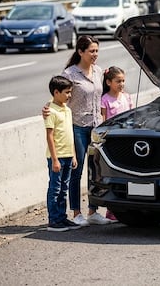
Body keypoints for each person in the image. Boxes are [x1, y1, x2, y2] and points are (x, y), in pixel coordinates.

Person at [43, 35, 112, 226]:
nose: (95, 54)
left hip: (96, 127)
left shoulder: (99, 71)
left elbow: (104, 95)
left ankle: (93, 211)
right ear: (80, 52)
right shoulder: (70, 74)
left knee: (95, 170)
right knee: (77, 169)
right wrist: (47, 108)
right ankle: (76, 212)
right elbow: (58, 95)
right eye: (91, 51)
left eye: (97, 51)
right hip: (78, 127)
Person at [44, 76, 82, 232]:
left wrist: (73, 155)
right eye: (67, 93)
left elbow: (70, 134)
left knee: (64, 188)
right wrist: (54, 160)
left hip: (67, 155)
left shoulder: (67, 110)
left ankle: (62, 217)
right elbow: (50, 136)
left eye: (70, 92)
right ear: (56, 92)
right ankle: (53, 220)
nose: (69, 96)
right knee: (55, 188)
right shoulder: (51, 111)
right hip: (57, 157)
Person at [100, 65, 134, 222]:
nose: (121, 84)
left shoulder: (127, 97)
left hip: (127, 141)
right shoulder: (105, 100)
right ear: (108, 82)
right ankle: (111, 210)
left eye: (123, 81)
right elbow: (103, 121)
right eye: (118, 81)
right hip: (112, 142)